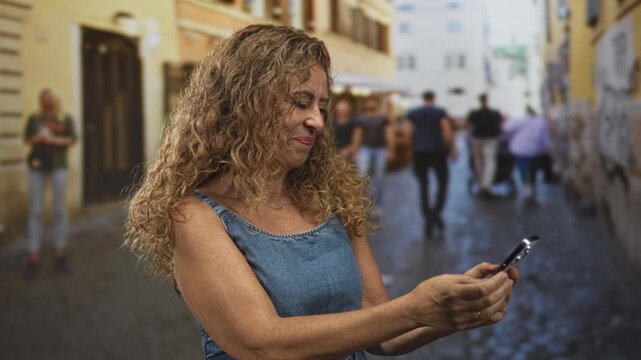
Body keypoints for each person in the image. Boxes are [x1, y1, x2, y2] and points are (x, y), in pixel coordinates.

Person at [125, 25, 518, 359]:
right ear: (244, 105)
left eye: (322, 105)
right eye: (301, 102)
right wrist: (416, 308)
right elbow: (261, 345)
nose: (317, 120)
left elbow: (379, 327)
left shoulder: (332, 197)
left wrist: (451, 311)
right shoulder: (195, 215)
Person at [23, 88, 77, 278]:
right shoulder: (34, 119)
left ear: (55, 100)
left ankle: (59, 253)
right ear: (41, 101)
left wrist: (52, 139)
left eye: (50, 98)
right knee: (35, 210)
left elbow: (72, 140)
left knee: (59, 209)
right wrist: (38, 138)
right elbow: (27, 138)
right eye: (44, 98)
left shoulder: (64, 119)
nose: (47, 101)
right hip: (36, 167)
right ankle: (33, 255)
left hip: (58, 166)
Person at [406, 91, 456, 238]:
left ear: (423, 98)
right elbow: (446, 130)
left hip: (419, 152)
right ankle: (435, 213)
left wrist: (411, 148)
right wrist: (451, 147)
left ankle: (428, 217)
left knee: (423, 186)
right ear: (433, 98)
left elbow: (407, 131)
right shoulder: (439, 112)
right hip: (438, 151)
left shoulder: (413, 113)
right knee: (443, 182)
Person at [503, 106, 553, 203]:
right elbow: (545, 137)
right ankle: (530, 184)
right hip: (534, 150)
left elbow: (506, 128)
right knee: (532, 167)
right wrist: (548, 146)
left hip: (520, 148)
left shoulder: (520, 120)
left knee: (522, 166)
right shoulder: (541, 122)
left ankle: (526, 184)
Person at [352, 96, 392, 205]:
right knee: (361, 174)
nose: (370, 104)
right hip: (365, 148)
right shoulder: (361, 118)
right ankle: (361, 200)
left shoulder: (383, 118)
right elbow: (357, 135)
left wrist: (390, 149)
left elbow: (388, 134)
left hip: (380, 149)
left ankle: (377, 202)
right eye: (368, 102)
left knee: (379, 176)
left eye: (372, 101)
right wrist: (355, 151)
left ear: (377, 103)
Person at [467, 94, 503, 198]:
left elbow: (468, 125)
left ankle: (480, 182)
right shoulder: (494, 113)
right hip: (491, 139)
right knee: (490, 162)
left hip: (477, 138)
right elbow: (501, 124)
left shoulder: (474, 113)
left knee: (478, 161)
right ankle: (486, 185)